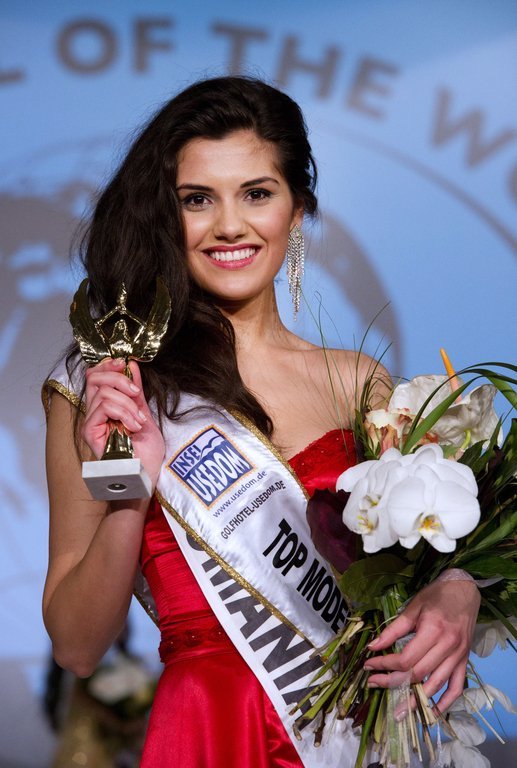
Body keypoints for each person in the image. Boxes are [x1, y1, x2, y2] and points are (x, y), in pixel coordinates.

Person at [42, 76, 480, 768]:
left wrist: (459, 589)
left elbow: (432, 567)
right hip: (209, 730)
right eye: (196, 199)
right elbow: (77, 646)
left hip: (352, 733)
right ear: (164, 216)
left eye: (256, 193)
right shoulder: (113, 385)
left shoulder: (359, 383)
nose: (228, 225)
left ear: (297, 210)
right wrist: (132, 492)